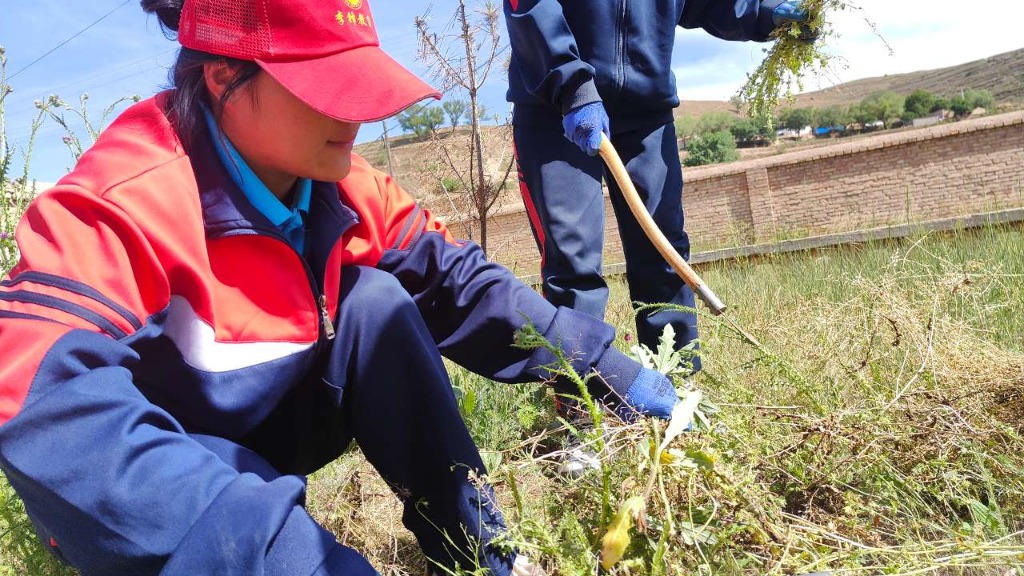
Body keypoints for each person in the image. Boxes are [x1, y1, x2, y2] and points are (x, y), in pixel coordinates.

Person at [0, 1, 682, 575]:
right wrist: (286, 555)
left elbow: (459, 282)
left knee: (374, 302)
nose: (354, 118)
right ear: (222, 77)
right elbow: (44, 406)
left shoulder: (339, 182)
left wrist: (604, 368)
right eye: (325, 89)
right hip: (160, 478)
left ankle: (478, 552)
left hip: (272, 419)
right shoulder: (124, 199)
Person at [504, 0, 815, 369]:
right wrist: (572, 85)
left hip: (646, 113)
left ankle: (675, 384)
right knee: (572, 262)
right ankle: (580, 401)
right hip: (555, 110)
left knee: (663, 250)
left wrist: (767, 13)